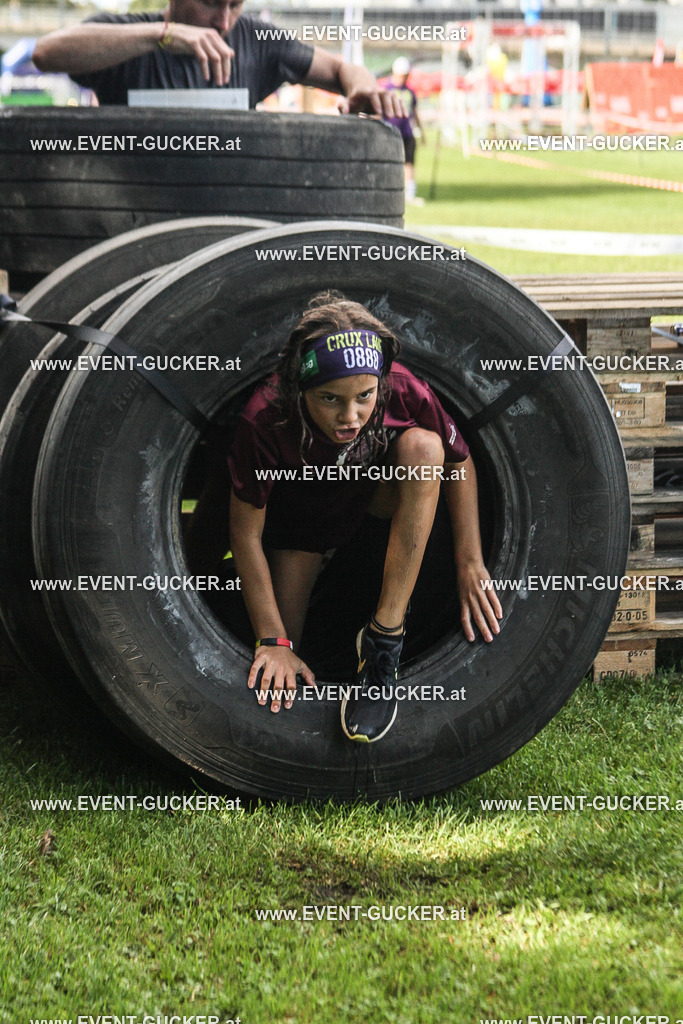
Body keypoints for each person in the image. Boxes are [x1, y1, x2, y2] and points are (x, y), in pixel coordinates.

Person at [227, 291, 502, 743]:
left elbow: (458, 461)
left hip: (370, 503)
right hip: (302, 531)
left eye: (364, 396)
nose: (350, 416)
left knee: (424, 447)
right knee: (286, 657)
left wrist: (469, 562)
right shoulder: (265, 415)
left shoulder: (401, 387)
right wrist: (273, 639)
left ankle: (383, 640)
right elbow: (245, 533)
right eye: (330, 398)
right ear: (300, 389)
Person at [32, 0, 405, 116]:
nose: (224, 21)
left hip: (226, 216)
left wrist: (362, 90)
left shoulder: (258, 40)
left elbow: (343, 68)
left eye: (235, 4)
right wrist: (163, 36)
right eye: (210, 2)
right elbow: (46, 53)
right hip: (134, 218)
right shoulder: (127, 35)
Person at [383, 57, 423, 203]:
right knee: (389, 162)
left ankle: (410, 194)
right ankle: (388, 190)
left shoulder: (410, 92)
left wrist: (422, 131)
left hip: (407, 133)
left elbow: (415, 111)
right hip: (389, 133)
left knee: (409, 163)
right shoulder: (386, 90)